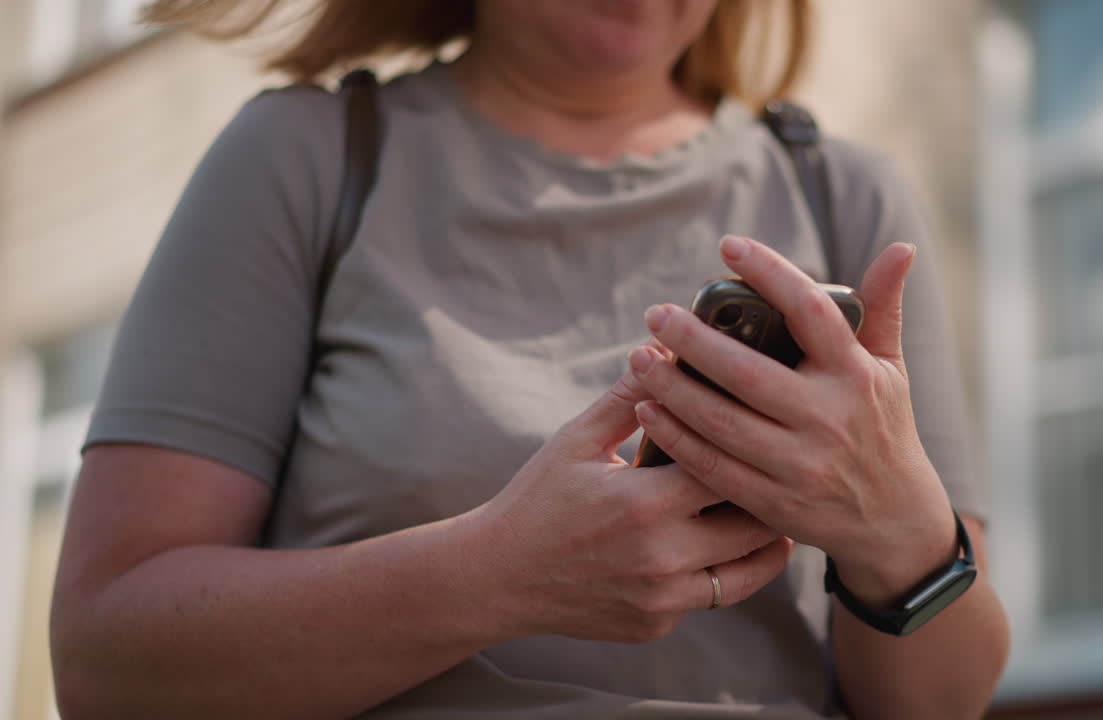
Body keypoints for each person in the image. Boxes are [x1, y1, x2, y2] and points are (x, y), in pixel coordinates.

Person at [49, 1, 1010, 718]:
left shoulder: (845, 197)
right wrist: (492, 577)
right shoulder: (305, 158)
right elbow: (107, 665)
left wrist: (897, 538)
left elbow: (945, 704)